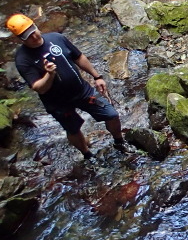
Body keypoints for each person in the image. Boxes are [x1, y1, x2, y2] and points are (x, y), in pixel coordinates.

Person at [8, 13, 125, 159]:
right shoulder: (23, 59)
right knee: (73, 130)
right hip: (58, 103)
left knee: (111, 114)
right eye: (28, 36)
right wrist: (49, 74)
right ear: (20, 39)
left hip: (81, 90)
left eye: (33, 31)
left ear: (36, 25)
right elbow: (39, 88)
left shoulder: (56, 38)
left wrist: (97, 76)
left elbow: (79, 57)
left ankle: (119, 141)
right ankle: (87, 154)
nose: (34, 37)